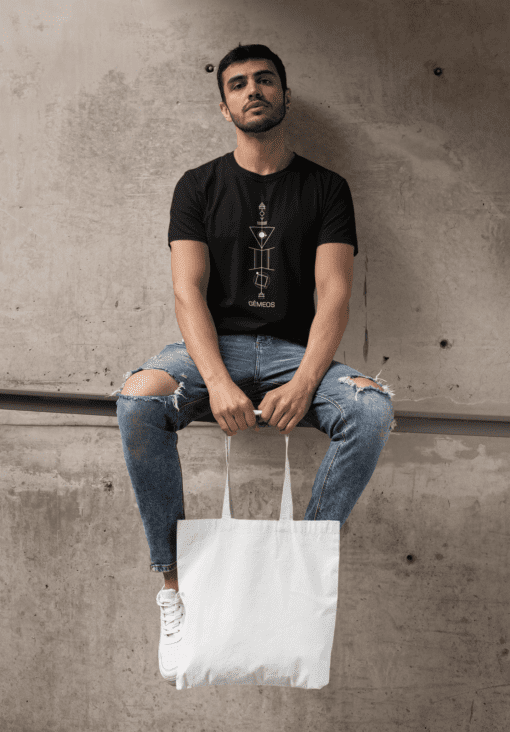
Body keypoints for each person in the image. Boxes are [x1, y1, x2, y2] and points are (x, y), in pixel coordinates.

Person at [113, 44, 395, 685]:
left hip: (299, 354)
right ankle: (174, 585)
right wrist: (214, 380)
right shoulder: (198, 185)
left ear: (285, 96)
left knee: (372, 410)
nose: (253, 91)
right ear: (224, 106)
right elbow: (187, 292)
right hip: (214, 350)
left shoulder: (326, 187)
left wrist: (302, 382)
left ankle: (302, 562)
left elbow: (336, 295)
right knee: (138, 399)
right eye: (238, 84)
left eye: (265, 80)